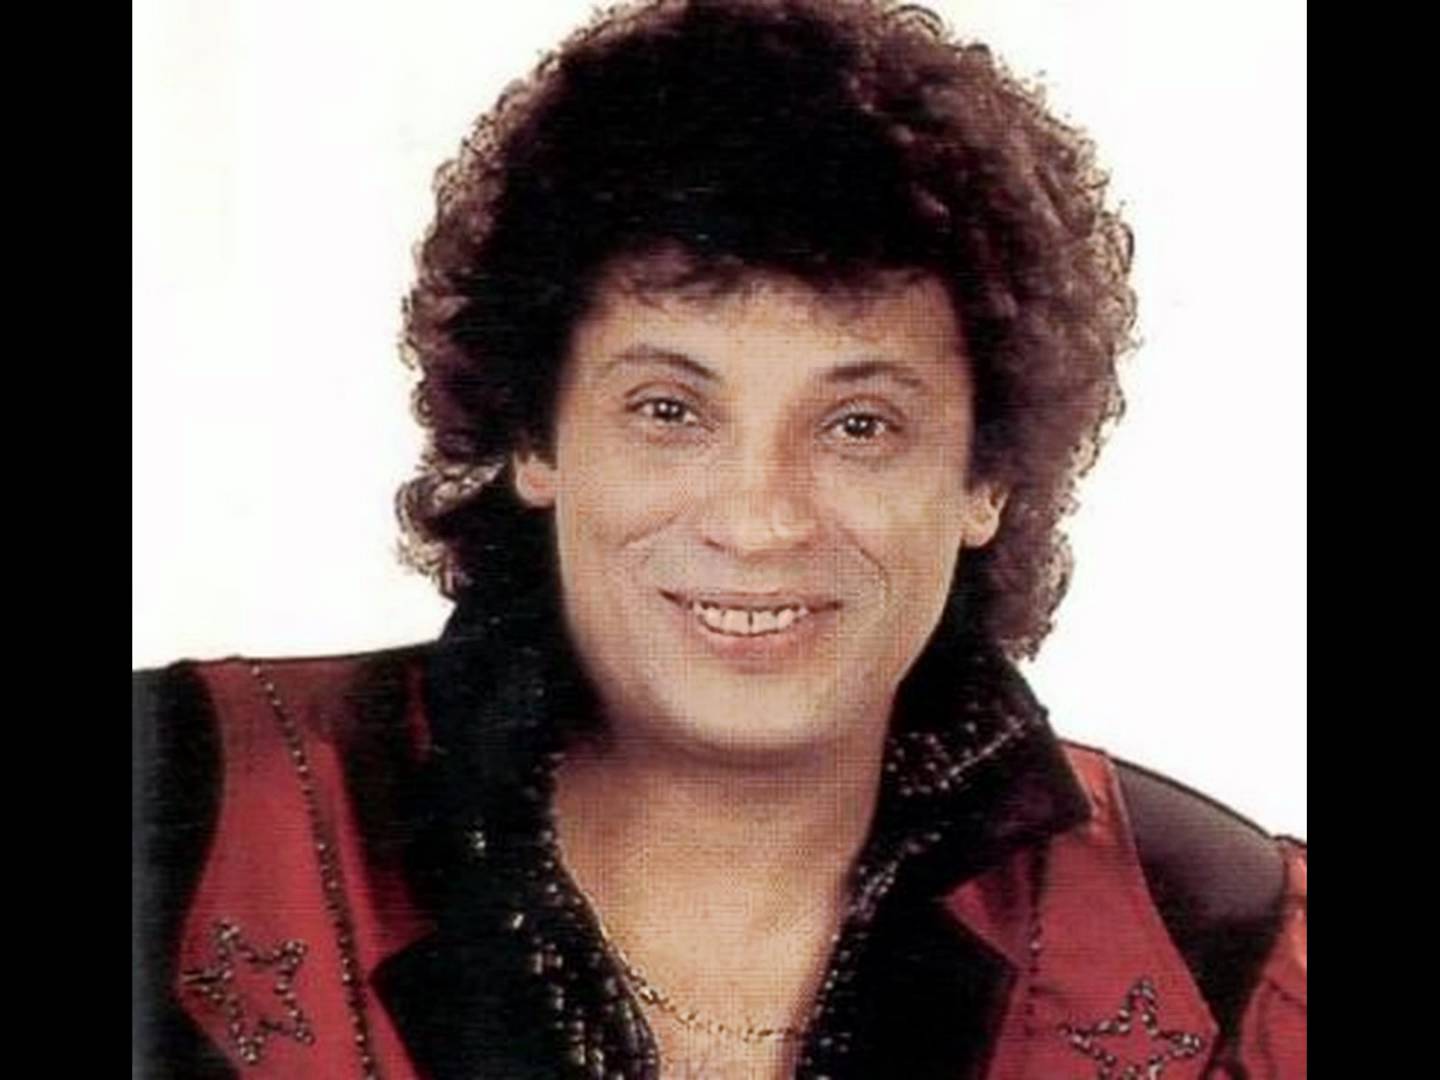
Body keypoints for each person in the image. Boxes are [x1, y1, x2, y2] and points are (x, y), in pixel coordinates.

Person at [133, 1, 1306, 1077]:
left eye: (859, 425)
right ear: (535, 436)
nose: (757, 520)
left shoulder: (1216, 951)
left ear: (984, 478)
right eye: (670, 411)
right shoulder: (181, 819)